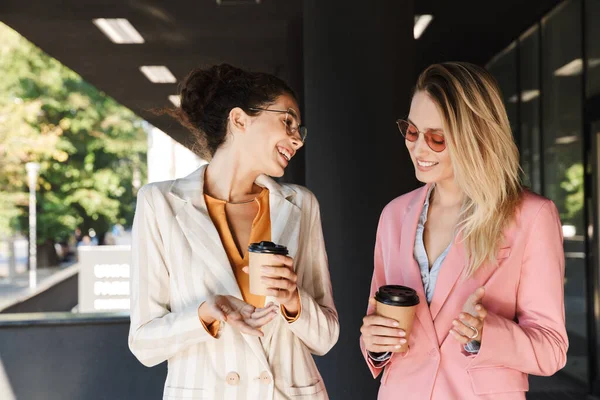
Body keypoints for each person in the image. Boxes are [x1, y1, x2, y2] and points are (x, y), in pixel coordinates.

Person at [128, 64, 339, 400]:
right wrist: (205, 314)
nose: (297, 139)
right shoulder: (160, 204)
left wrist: (292, 299)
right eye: (287, 121)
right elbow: (144, 343)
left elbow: (325, 338)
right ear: (239, 120)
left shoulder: (300, 205)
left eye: (299, 129)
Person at [359, 62, 568, 399]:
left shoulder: (531, 216)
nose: (418, 148)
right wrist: (375, 343)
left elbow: (552, 348)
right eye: (411, 131)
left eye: (436, 138)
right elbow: (378, 321)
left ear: (475, 136)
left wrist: (486, 334)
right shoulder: (394, 215)